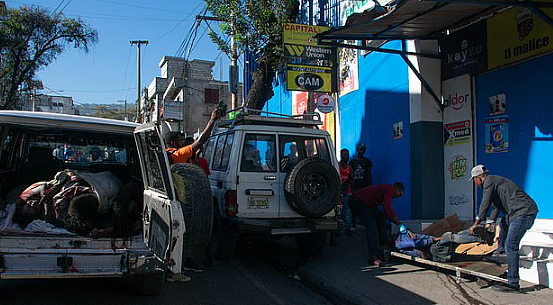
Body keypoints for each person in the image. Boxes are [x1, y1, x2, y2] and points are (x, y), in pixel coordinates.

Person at [164, 108, 222, 282]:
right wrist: (212, 120)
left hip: (180, 201)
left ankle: (184, 263)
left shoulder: (167, 155)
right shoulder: (175, 155)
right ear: (174, 142)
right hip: (177, 202)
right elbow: (201, 140)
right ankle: (174, 270)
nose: (184, 143)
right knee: (179, 233)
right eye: (181, 140)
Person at [468, 165, 538, 292]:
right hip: (518, 213)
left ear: (478, 178)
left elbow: (486, 202)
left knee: (511, 245)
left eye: (474, 180)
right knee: (504, 223)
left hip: (523, 212)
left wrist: (476, 222)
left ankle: (513, 282)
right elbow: (495, 207)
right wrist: (489, 223)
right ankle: (500, 251)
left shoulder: (488, 181)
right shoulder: (496, 183)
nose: (475, 183)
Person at [348, 183, 405, 267]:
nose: (397, 197)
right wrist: (399, 224)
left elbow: (386, 213)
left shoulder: (386, 190)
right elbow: (388, 207)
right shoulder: (389, 189)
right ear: (397, 189)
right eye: (400, 194)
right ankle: (373, 257)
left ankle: (383, 247)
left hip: (362, 203)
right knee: (371, 225)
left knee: (380, 217)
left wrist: (395, 222)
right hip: (357, 201)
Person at [348, 143, 373, 232]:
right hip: (356, 187)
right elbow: (350, 175)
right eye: (360, 149)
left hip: (364, 187)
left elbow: (369, 175)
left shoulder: (367, 162)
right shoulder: (352, 162)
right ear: (357, 150)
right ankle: (353, 223)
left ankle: (367, 223)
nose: (361, 151)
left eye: (363, 149)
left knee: (366, 206)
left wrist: (369, 187)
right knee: (354, 206)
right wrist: (351, 186)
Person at [338, 148, 354, 235]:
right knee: (339, 211)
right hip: (339, 192)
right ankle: (338, 229)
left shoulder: (349, 167)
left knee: (348, 211)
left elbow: (351, 179)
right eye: (344, 155)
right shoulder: (337, 166)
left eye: (347, 155)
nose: (346, 157)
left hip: (348, 191)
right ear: (341, 155)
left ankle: (347, 228)